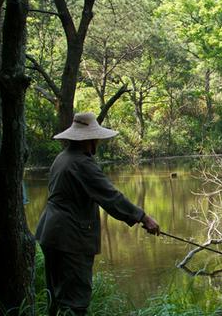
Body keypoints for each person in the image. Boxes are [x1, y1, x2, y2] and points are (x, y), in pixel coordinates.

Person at [35, 112, 160, 315]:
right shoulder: (82, 163)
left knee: (57, 297)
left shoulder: (63, 157)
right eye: (97, 139)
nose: (98, 143)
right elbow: (110, 197)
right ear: (89, 140)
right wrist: (143, 217)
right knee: (76, 301)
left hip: (51, 233)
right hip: (70, 238)